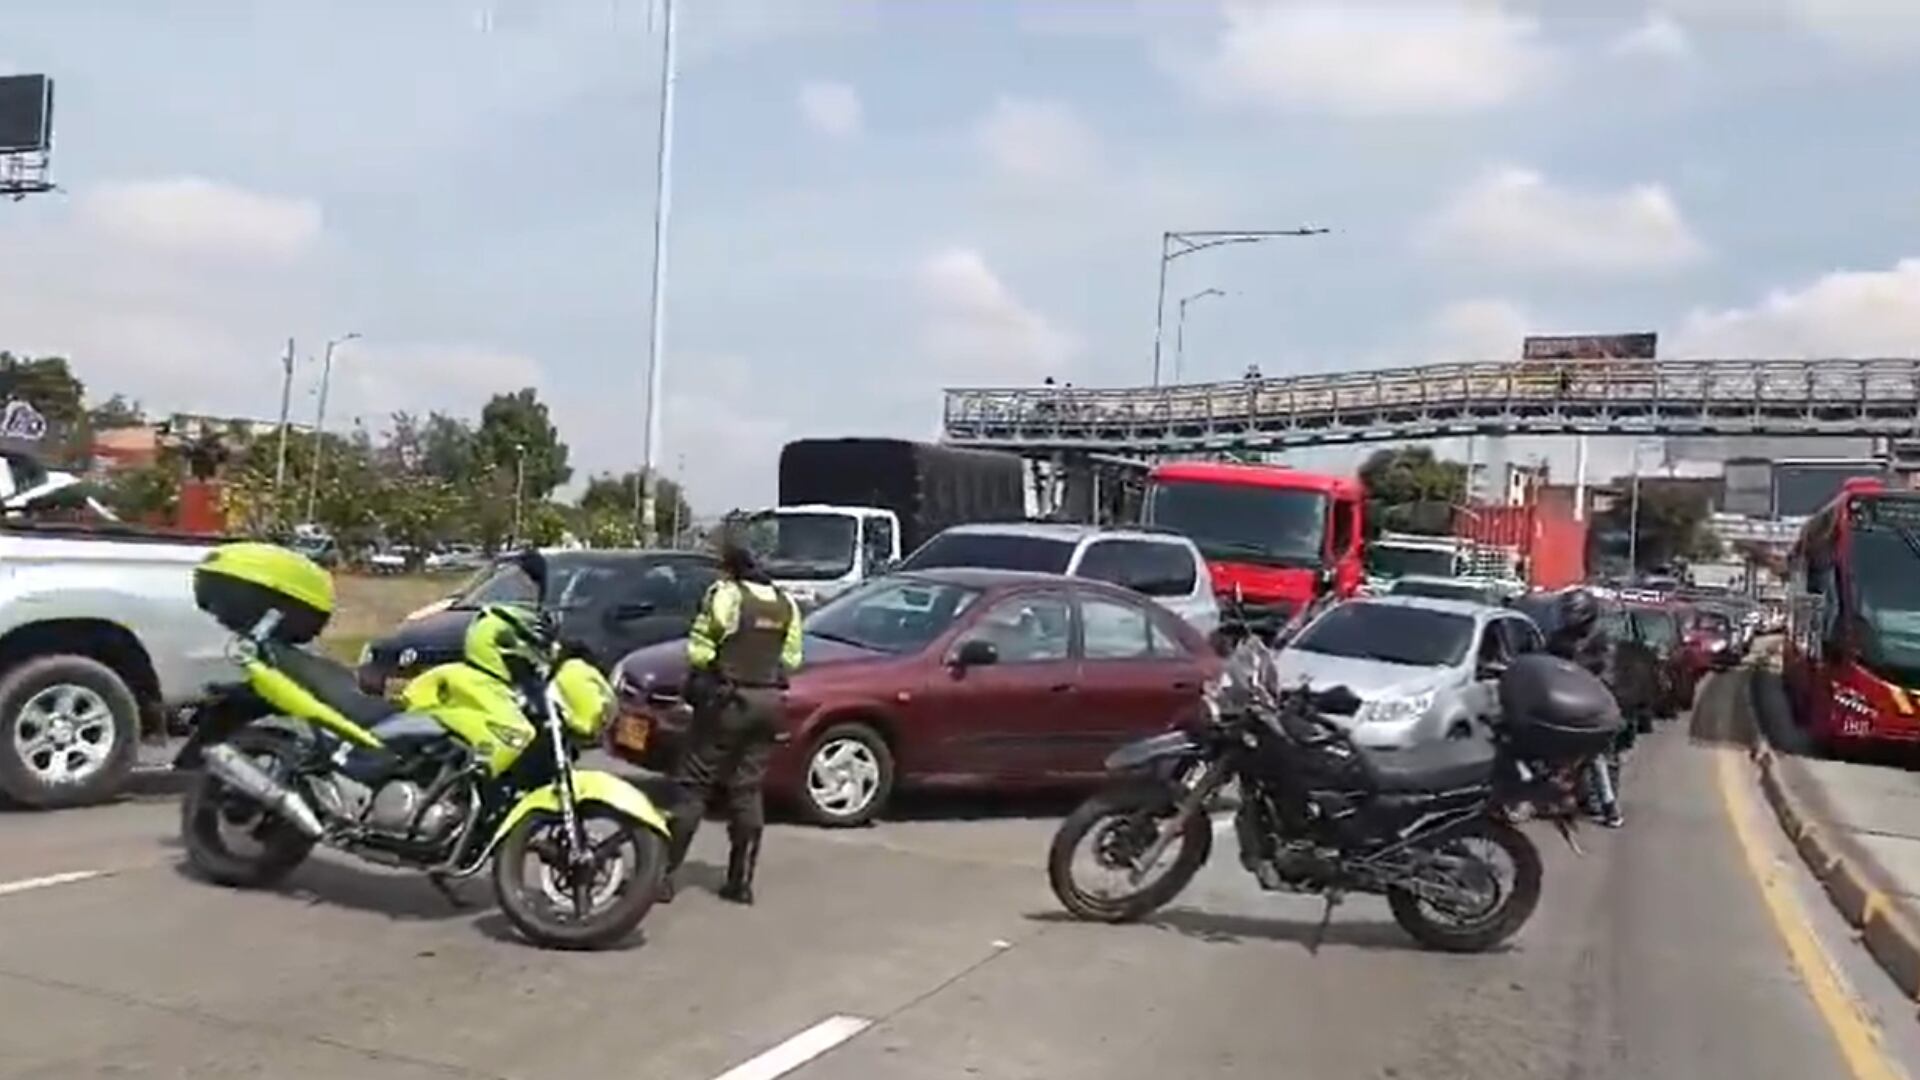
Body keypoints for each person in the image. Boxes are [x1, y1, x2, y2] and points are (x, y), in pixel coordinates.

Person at [660, 538, 804, 905]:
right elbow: (792, 659)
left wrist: (708, 671)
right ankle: (741, 881)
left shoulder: (726, 595)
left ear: (730, 568)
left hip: (727, 701)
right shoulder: (786, 604)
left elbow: (700, 647)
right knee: (747, 789)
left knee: (693, 784)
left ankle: (661, 875)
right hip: (768, 703)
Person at [1545, 588, 1625, 829]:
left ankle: (1610, 807)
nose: (1569, 618)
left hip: (1590, 702)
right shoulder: (1558, 638)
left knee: (1595, 755)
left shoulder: (1601, 640)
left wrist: (1586, 672)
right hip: (1559, 698)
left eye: (1574, 613)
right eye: (1567, 613)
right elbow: (1542, 662)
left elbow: (1608, 672)